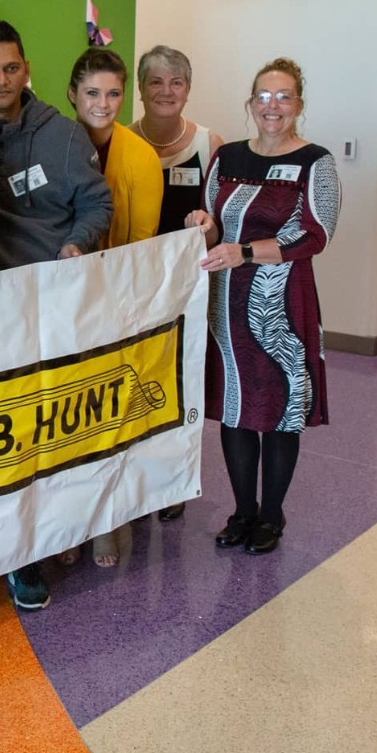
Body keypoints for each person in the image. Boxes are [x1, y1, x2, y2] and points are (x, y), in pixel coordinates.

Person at [0, 17, 112, 610]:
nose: (1, 80)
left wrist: (76, 245)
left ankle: (27, 559)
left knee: (34, 440)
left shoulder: (64, 135)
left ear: (27, 69)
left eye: (12, 68)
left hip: (45, 312)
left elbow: (97, 201)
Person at [186, 57, 340, 556]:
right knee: (235, 408)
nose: (272, 106)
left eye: (284, 97)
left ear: (299, 105)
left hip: (281, 305)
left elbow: (314, 234)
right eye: (263, 96)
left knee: (279, 409)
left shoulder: (315, 161)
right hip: (227, 303)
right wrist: (201, 224)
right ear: (250, 103)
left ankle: (271, 515)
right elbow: (216, 226)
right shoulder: (227, 155)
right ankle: (242, 512)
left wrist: (245, 252)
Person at [62, 47, 162, 567]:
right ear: (72, 94)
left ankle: (108, 519)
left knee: (111, 416)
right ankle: (69, 521)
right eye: (93, 93)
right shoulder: (54, 143)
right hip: (62, 303)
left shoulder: (140, 156)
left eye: (114, 93)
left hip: (117, 303)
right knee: (64, 420)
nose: (104, 103)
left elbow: (142, 245)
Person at [132, 44, 225, 523]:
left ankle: (173, 481)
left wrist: (208, 228)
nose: (166, 92)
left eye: (177, 82)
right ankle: (134, 479)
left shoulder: (211, 146)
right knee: (136, 385)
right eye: (156, 82)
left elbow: (225, 226)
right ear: (141, 89)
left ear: (188, 89)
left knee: (182, 386)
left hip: (189, 292)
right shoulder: (124, 140)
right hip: (135, 291)